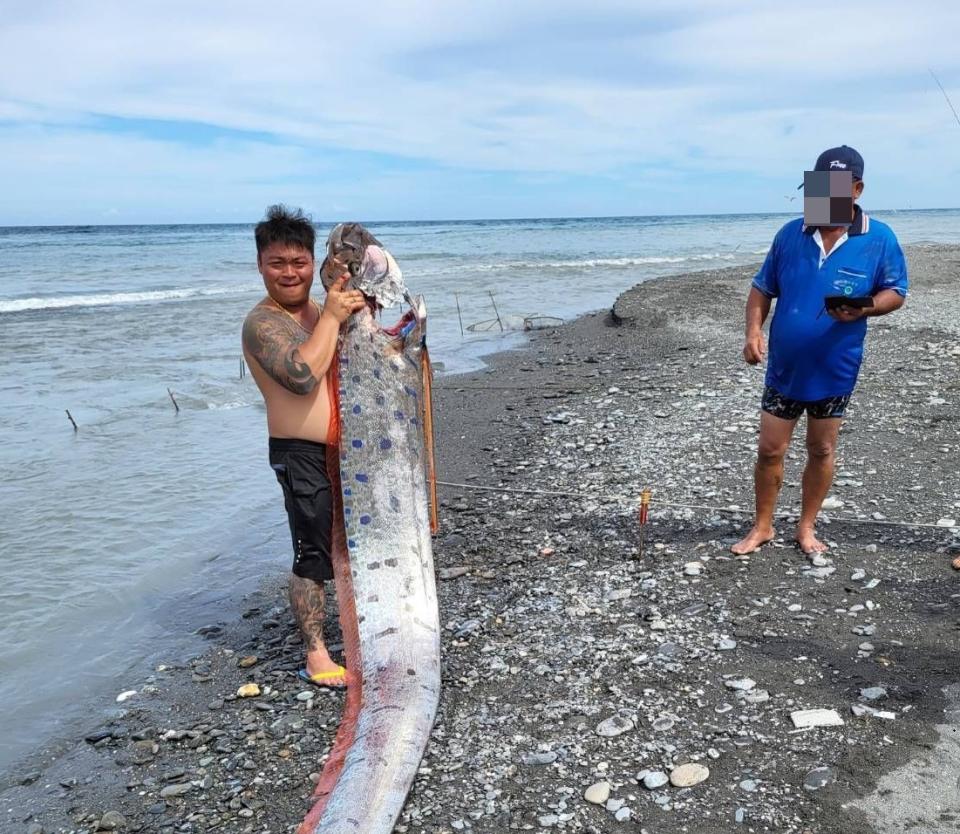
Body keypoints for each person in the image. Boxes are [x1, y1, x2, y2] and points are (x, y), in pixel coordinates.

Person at [732, 146, 908, 556]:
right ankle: (762, 527)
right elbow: (762, 287)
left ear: (857, 190)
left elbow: (896, 292)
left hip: (836, 366)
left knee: (822, 448)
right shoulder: (790, 234)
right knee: (769, 449)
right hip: (785, 368)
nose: (819, 201)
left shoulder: (878, 238)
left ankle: (806, 528)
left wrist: (867, 307)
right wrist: (753, 332)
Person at [242, 205, 366, 687]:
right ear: (260, 265)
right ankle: (316, 653)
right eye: (277, 263)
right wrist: (333, 316)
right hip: (300, 452)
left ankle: (360, 631)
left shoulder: (322, 310)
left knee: (355, 548)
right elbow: (301, 376)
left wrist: (341, 293)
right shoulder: (262, 324)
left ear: (311, 263)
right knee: (312, 554)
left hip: (350, 450)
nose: (289, 272)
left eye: (298, 262)